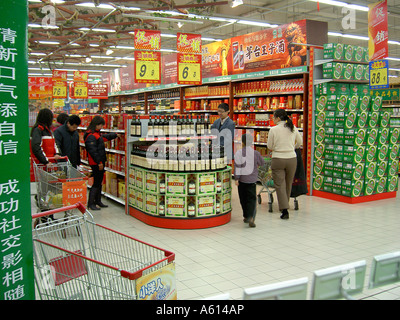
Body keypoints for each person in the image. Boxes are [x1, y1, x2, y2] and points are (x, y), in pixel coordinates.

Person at [267, 109, 303, 220]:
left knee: (279, 184)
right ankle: (285, 206)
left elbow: (270, 146)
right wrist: (292, 147)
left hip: (278, 158)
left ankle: (285, 209)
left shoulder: (273, 130)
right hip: (292, 159)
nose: (273, 119)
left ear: (277, 118)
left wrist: (277, 148)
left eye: (273, 117)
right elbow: (300, 142)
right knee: (288, 184)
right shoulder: (293, 128)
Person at [30, 108, 61, 222]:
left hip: (50, 165)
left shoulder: (49, 130)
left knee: (49, 191)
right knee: (44, 191)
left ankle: (49, 215)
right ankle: (44, 215)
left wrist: (57, 154)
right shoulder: (38, 130)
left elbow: (54, 144)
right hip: (42, 166)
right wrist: (45, 161)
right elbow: (36, 147)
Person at [84, 115, 119, 211]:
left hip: (99, 162)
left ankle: (98, 201)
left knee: (99, 182)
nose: (102, 127)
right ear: (97, 125)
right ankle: (91, 203)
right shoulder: (91, 136)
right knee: (96, 183)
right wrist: (99, 162)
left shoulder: (95, 134)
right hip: (95, 163)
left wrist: (115, 135)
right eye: (101, 125)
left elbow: (103, 138)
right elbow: (93, 151)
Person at [234, 133, 265, 228]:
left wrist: (236, 178)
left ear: (242, 142)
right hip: (252, 180)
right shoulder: (255, 153)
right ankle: (251, 217)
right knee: (252, 199)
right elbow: (262, 163)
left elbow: (237, 167)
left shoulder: (239, 153)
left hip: (242, 180)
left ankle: (246, 216)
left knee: (243, 199)